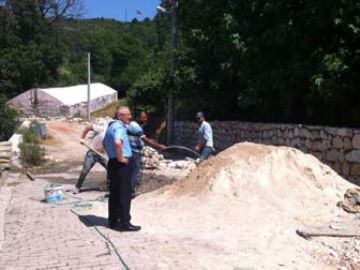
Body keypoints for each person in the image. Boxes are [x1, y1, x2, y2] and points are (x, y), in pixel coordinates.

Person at [103, 106, 141, 232]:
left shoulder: (110, 127)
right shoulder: (119, 127)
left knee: (114, 193)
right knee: (125, 193)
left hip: (112, 163)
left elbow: (104, 142)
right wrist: (120, 158)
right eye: (127, 115)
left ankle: (113, 221)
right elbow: (118, 143)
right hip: (121, 164)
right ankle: (125, 222)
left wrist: (112, 155)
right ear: (120, 116)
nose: (130, 117)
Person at [127, 111, 167, 195]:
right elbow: (145, 139)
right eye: (143, 117)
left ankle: (129, 191)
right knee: (135, 173)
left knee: (132, 172)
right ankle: (131, 193)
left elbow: (142, 139)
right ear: (138, 118)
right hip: (134, 153)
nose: (146, 119)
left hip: (133, 152)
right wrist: (159, 146)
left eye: (146, 117)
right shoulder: (135, 126)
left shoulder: (134, 125)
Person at [74, 123, 108, 194]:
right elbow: (88, 127)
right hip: (92, 153)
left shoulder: (113, 135)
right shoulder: (102, 129)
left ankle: (109, 185)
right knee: (85, 170)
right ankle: (77, 187)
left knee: (111, 169)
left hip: (102, 154)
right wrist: (82, 138)